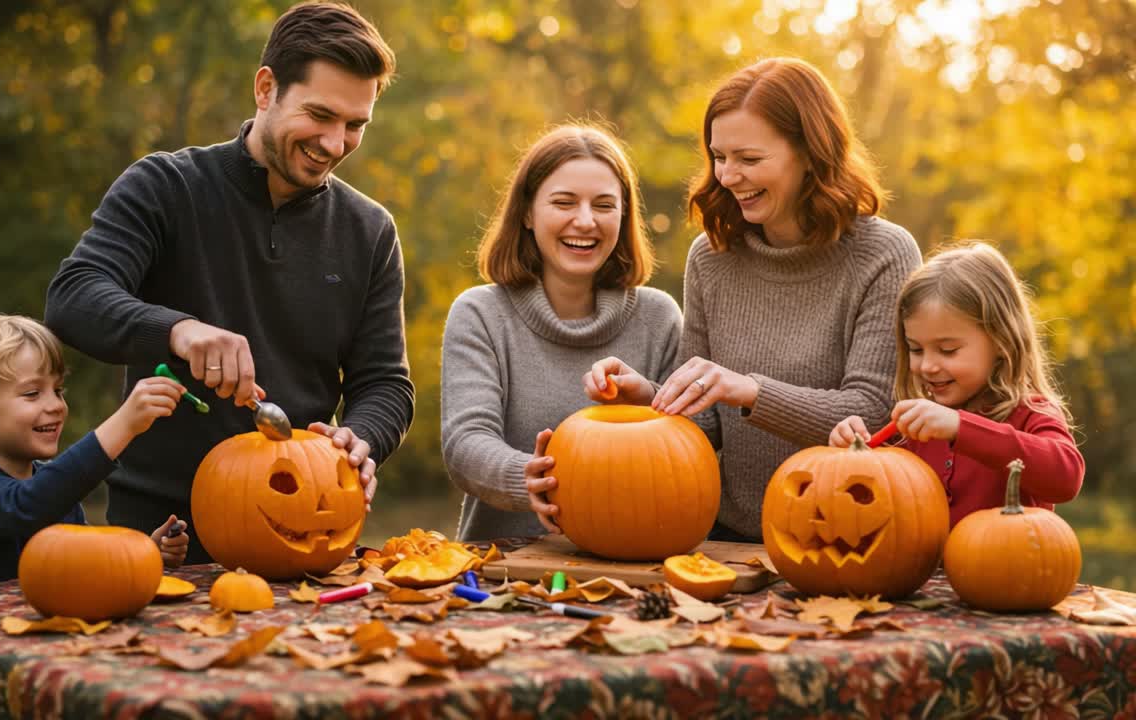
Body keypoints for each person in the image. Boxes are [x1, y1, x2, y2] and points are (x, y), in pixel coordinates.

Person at [44, 2, 414, 562]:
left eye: (355, 125)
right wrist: (179, 330)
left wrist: (359, 438)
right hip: (159, 536)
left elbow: (386, 383)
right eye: (320, 115)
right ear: (266, 89)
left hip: (305, 529)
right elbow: (73, 297)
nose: (336, 144)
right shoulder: (166, 187)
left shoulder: (370, 231)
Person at [578, 57, 922, 542]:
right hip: (729, 537)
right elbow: (707, 425)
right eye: (719, 157)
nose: (727, 176)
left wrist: (749, 390)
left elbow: (871, 415)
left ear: (810, 152)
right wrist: (651, 398)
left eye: (749, 159)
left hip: (844, 538)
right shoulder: (712, 256)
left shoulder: (883, 254)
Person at [441, 124, 682, 541]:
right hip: (503, 569)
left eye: (604, 205)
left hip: (635, 564)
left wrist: (649, 397)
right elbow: (466, 442)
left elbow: (694, 446)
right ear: (529, 213)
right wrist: (533, 480)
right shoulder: (481, 314)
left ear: (623, 216)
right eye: (564, 202)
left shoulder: (658, 318)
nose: (585, 221)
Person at [0, 314, 189, 591]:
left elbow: (88, 562)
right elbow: (28, 505)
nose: (57, 405)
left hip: (48, 631)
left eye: (58, 390)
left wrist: (147, 552)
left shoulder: (57, 493)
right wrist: (122, 425)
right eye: (32, 393)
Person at [829, 242, 1084, 527]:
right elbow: (872, 506)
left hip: (1007, 568)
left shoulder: (1030, 413)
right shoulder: (915, 430)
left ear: (1001, 341)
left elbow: (1066, 476)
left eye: (948, 350)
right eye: (916, 349)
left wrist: (961, 427)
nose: (927, 366)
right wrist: (852, 453)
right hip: (918, 572)